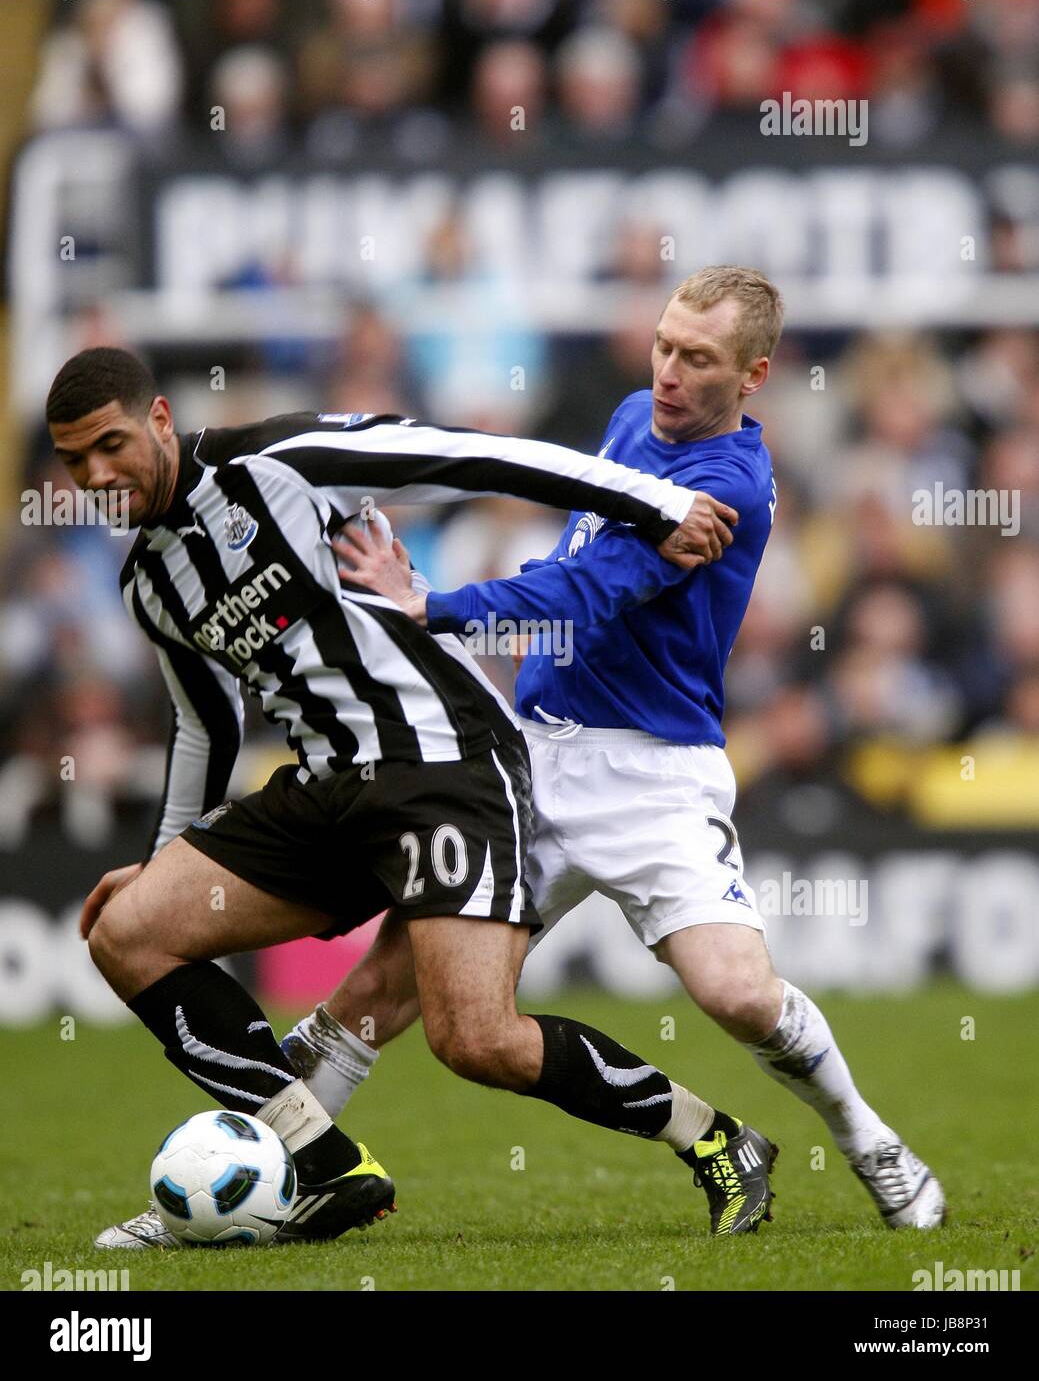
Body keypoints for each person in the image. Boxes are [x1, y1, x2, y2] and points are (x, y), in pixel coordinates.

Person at [48, 347, 776, 1250]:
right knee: (127, 930)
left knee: (476, 1040)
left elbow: (474, 456)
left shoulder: (283, 462)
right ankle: (319, 1164)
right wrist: (163, 865)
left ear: (160, 419)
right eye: (74, 461)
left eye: (110, 445)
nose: (96, 475)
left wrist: (653, 501)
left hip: (445, 765)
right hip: (325, 789)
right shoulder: (149, 583)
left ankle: (716, 1140)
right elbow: (207, 727)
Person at [277, 267, 947, 1232]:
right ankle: (279, 1181)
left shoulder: (726, 488)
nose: (668, 371)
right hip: (531, 761)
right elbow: (573, 553)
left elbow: (594, 591)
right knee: (389, 987)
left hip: (651, 774)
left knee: (735, 992)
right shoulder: (635, 414)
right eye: (664, 345)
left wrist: (438, 607)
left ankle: (865, 1138)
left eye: (698, 358)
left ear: (754, 376)